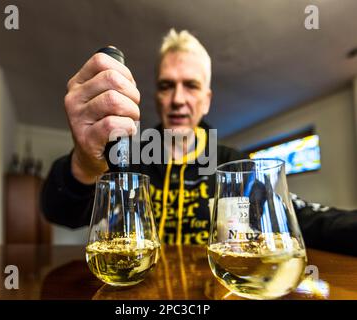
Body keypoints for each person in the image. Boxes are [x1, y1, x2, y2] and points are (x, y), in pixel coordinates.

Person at [41, 29, 357, 256]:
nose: (178, 99)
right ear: (157, 97)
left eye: (190, 86)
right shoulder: (129, 158)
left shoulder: (232, 163)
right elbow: (60, 212)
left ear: (206, 100)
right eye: (167, 86)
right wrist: (85, 161)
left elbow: (303, 219)